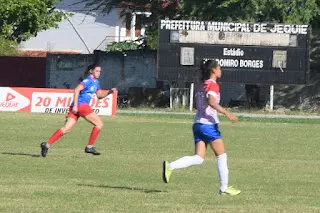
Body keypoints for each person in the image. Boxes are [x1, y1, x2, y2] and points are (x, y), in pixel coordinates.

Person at [162, 60, 241, 195]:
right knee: (222, 156)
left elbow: (197, 104)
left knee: (199, 158)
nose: (221, 70)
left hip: (198, 124)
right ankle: (224, 188)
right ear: (213, 71)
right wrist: (227, 113)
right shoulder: (212, 85)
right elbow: (211, 102)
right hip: (208, 125)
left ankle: (170, 166)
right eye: (219, 68)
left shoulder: (201, 85)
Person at [40, 64, 116, 157]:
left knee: (66, 129)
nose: (98, 73)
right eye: (97, 71)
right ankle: (89, 147)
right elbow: (76, 90)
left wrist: (109, 92)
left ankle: (46, 145)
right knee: (99, 124)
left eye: (100, 71)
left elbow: (99, 96)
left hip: (76, 107)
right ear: (91, 71)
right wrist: (76, 105)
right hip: (81, 105)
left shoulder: (96, 82)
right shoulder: (88, 80)